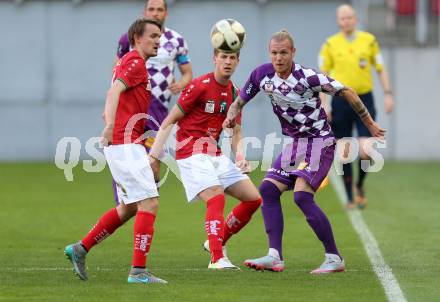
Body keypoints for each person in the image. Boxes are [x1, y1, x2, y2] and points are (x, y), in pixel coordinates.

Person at [223, 30, 385, 274]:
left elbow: (348, 91)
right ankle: (274, 256)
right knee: (267, 190)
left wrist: (369, 122)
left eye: (284, 53)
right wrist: (231, 114)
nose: (278, 58)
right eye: (274, 53)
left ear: (293, 53)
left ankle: (334, 258)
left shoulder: (308, 77)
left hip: (320, 142)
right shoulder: (261, 75)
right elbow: (240, 100)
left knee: (302, 196)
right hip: (296, 144)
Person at [64, 18, 167, 284]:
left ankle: (81, 248)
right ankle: (138, 271)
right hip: (124, 143)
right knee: (150, 202)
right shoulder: (134, 62)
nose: (158, 40)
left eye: (160, 36)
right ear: (137, 38)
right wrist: (110, 125)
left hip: (124, 142)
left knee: (130, 206)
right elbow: (113, 93)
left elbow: (115, 96)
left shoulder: (130, 63)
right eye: (153, 36)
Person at [149, 48, 262, 269]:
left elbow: (236, 132)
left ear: (238, 61)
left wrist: (240, 157)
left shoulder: (235, 94)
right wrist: (155, 156)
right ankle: (217, 258)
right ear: (215, 59)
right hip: (190, 153)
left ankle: (215, 243)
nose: (227, 62)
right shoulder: (199, 86)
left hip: (215, 154)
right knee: (216, 197)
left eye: (232, 58)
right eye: (223, 57)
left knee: (253, 199)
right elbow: (170, 120)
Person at [113, 0, 193, 202]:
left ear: (166, 13)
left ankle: (143, 203)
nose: (155, 13)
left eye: (159, 10)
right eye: (151, 9)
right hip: (133, 107)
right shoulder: (129, 39)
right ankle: (125, 201)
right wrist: (112, 104)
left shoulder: (176, 40)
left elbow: (187, 73)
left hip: (158, 111)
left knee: (153, 164)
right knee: (127, 155)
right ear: (144, 11)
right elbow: (116, 71)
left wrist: (181, 84)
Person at [318, 4, 394, 209]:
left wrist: (388, 94)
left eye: (349, 17)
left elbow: (380, 68)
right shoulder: (330, 44)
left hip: (365, 101)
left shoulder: (369, 41)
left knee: (365, 150)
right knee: (344, 152)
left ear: (356, 19)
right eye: (342, 18)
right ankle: (351, 198)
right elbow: (322, 78)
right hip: (341, 102)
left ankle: (360, 185)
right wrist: (325, 105)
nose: (346, 21)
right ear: (338, 21)